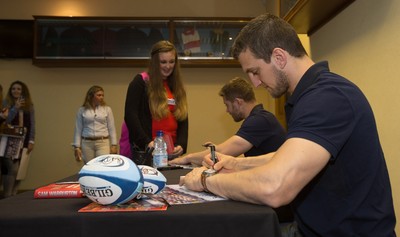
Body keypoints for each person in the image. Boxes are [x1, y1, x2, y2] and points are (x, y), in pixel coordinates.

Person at [180, 13, 396, 237]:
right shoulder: (308, 96)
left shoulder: (328, 97)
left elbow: (275, 187)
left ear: (279, 57)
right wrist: (236, 164)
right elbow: (289, 156)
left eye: (255, 71)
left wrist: (207, 181)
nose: (254, 82)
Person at [169, 77, 286, 166]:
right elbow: (226, 151)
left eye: (227, 105)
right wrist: (218, 149)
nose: (227, 111)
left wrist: (187, 158)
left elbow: (223, 152)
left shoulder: (259, 120)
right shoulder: (260, 118)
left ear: (238, 102)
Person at [124, 40, 188, 159]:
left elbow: (183, 118)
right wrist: (147, 142)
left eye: (171, 62)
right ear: (154, 62)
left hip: (172, 152)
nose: (168, 66)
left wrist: (181, 145)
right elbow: (130, 116)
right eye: (163, 62)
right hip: (149, 151)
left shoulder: (176, 86)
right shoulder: (140, 82)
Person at [1, 81, 35, 198]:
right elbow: (6, 120)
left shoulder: (29, 105)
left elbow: (32, 124)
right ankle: (7, 195)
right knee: (12, 168)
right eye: (13, 89)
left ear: (23, 91)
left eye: (18, 89)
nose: (15, 91)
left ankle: (14, 194)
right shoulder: (6, 103)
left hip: (23, 141)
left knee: (20, 170)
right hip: (8, 141)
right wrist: (15, 107)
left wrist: (31, 140)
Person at [72, 85, 118, 163]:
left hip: (103, 142)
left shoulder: (107, 109)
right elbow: (78, 129)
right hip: (87, 143)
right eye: (99, 95)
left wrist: (114, 144)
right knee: (89, 166)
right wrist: (77, 146)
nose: (101, 97)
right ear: (91, 96)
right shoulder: (82, 110)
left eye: (102, 95)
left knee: (102, 165)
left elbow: (112, 128)